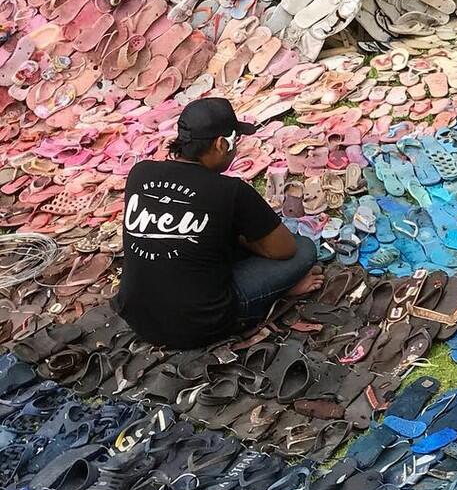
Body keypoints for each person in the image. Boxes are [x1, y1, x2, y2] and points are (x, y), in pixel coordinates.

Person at [116, 97, 322, 349]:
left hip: (138, 318)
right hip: (202, 325)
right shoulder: (230, 191)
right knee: (304, 249)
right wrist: (243, 239)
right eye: (235, 143)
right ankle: (276, 294)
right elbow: (285, 250)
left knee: (205, 245)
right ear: (221, 144)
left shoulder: (140, 173)